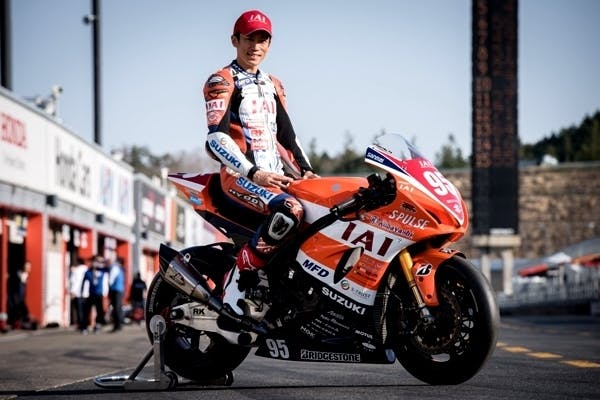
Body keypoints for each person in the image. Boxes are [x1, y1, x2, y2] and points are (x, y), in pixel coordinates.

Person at [203, 9, 318, 318]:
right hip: (239, 177)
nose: (255, 46)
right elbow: (216, 138)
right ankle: (240, 278)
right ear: (235, 40)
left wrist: (308, 172)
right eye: (249, 39)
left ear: (269, 44)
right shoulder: (221, 80)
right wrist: (254, 173)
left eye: (262, 40)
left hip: (275, 177)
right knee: (290, 210)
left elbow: (288, 136)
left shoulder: (274, 84)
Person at [81, 255, 108, 334]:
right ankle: (85, 326)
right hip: (90, 294)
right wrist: (83, 294)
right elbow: (84, 284)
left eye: (98, 262)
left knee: (99, 311)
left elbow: (108, 267)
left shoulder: (103, 271)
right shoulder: (88, 272)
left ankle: (98, 325)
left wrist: (102, 262)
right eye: (95, 262)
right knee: (87, 311)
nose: (96, 263)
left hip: (99, 294)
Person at [7, 260, 32, 330]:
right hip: (16, 297)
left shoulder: (24, 275)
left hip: (20, 298)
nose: (29, 268)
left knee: (23, 311)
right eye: (27, 267)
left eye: (29, 267)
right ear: (23, 267)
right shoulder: (19, 274)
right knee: (20, 311)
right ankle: (16, 324)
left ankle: (19, 324)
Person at [69, 257, 88, 329]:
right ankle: (86, 323)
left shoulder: (76, 270)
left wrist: (72, 292)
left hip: (78, 293)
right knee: (85, 310)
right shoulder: (87, 269)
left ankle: (81, 325)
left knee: (79, 310)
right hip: (87, 293)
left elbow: (74, 282)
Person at [107, 257, 126, 332]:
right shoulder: (121, 269)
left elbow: (110, 280)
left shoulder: (115, 268)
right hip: (120, 290)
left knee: (116, 308)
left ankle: (117, 325)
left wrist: (109, 288)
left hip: (115, 290)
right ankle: (119, 324)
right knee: (118, 307)